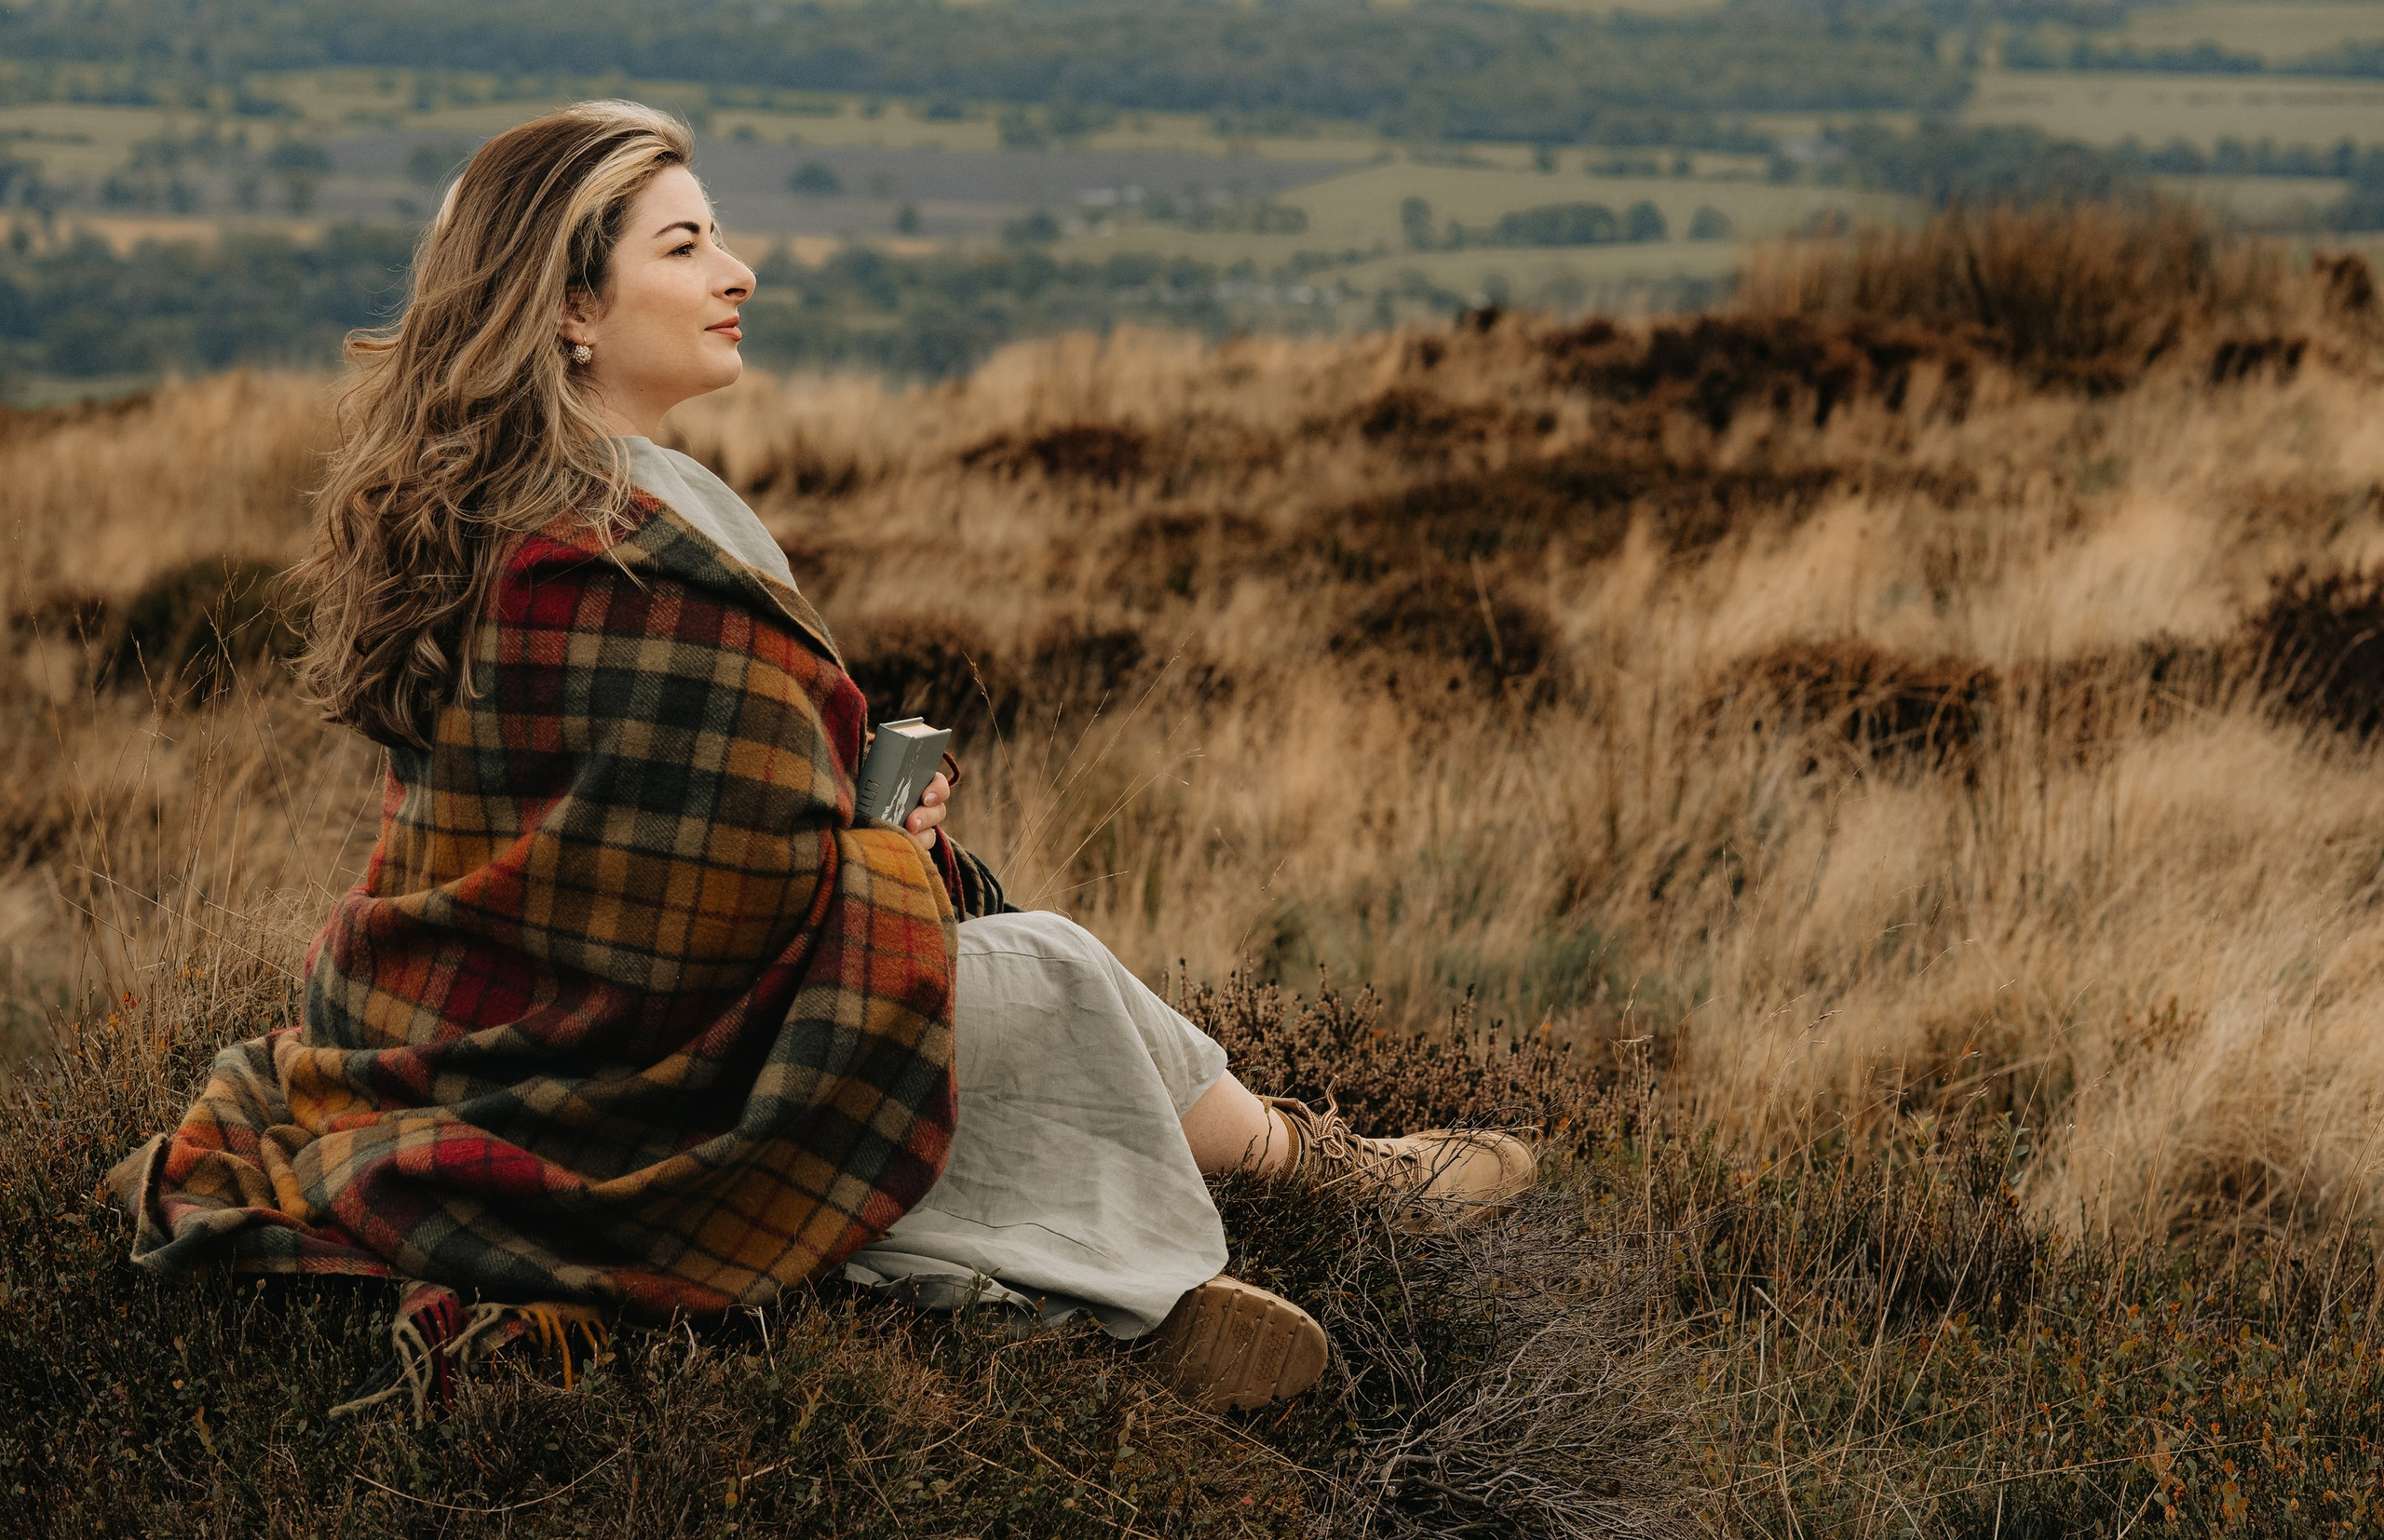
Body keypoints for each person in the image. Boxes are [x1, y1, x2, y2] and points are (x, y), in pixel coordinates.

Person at [109, 102, 1535, 1413]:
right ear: (569, 308)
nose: (736, 270)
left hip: (483, 1040)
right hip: (632, 1083)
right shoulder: (611, 563)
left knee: (1024, 970)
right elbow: (707, 918)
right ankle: (1226, 1227)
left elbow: (639, 859)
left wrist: (851, 831)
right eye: (685, 243)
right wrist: (884, 853)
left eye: (719, 233)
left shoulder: (524, 513)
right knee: (1037, 975)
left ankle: (1253, 1194)